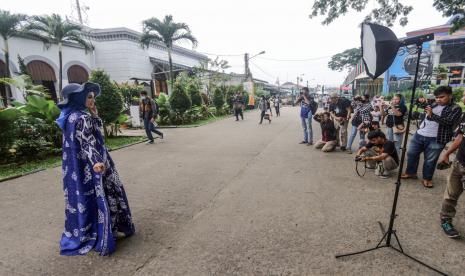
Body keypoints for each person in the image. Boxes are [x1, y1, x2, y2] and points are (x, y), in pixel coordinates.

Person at [56, 82, 135, 256]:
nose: (92, 100)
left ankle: (87, 231)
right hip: (95, 163)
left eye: (93, 97)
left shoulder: (68, 116)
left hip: (75, 167)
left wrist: (95, 116)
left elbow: (80, 140)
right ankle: (109, 230)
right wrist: (96, 161)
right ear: (77, 97)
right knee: (108, 191)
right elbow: (88, 140)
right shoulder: (82, 118)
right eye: (88, 97)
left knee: (81, 197)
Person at [402, 86, 462, 188]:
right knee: (411, 154)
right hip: (419, 134)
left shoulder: (455, 108)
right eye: (437, 97)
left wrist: (431, 115)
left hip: (437, 138)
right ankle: (411, 172)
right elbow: (416, 102)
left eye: (442, 97)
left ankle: (427, 178)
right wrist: (419, 99)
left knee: (430, 160)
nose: (438, 99)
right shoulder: (433, 103)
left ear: (450, 96)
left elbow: (448, 122)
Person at [438, 94, 465, 238]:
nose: (463, 96)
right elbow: (460, 138)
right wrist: (447, 153)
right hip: (459, 162)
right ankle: (446, 220)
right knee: (451, 195)